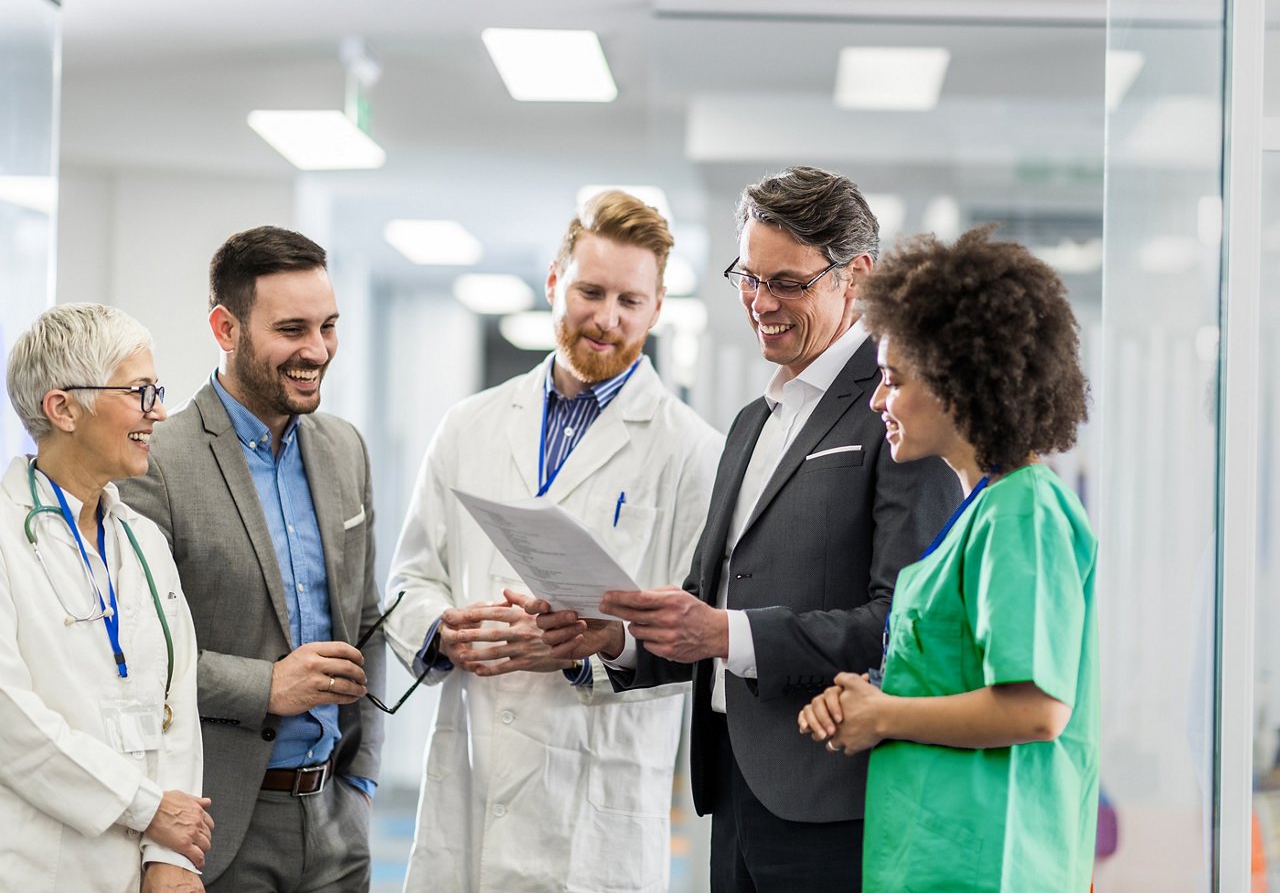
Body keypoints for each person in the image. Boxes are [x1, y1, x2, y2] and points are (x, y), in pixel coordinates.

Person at [536, 167, 961, 893]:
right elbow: (707, 606)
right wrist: (619, 639)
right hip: (733, 791)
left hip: (837, 805)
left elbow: (901, 627)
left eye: (788, 282)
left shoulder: (897, 412)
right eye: (748, 276)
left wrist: (730, 634)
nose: (761, 302)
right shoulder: (749, 423)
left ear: (854, 275)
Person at [382, 190, 722, 892]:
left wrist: (603, 640)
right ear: (553, 283)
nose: (607, 318)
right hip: (474, 760)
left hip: (596, 788)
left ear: (656, 309)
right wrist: (443, 631)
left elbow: (697, 637)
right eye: (590, 291)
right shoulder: (468, 426)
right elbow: (410, 578)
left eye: (631, 301)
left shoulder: (693, 453)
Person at [797, 224, 1098, 892]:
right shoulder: (981, 510)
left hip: (992, 865)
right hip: (931, 859)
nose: (878, 400)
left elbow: (1036, 708)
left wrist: (886, 717)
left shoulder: (1024, 511)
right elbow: (955, 676)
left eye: (893, 381)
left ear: (959, 385)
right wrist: (869, 700)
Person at [118, 226, 385, 892]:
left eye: (328, 326)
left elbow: (368, 619)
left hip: (336, 820)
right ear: (225, 327)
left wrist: (362, 777)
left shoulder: (344, 448)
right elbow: (131, 656)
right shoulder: (158, 461)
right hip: (220, 823)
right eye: (292, 329)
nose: (317, 350)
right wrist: (268, 687)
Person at [0, 303, 210, 892]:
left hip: (147, 865)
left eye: (157, 391)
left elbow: (178, 706)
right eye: (140, 392)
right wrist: (145, 808)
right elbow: (10, 722)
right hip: (39, 867)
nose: (159, 412)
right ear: (62, 407)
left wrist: (173, 857)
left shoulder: (142, 542)